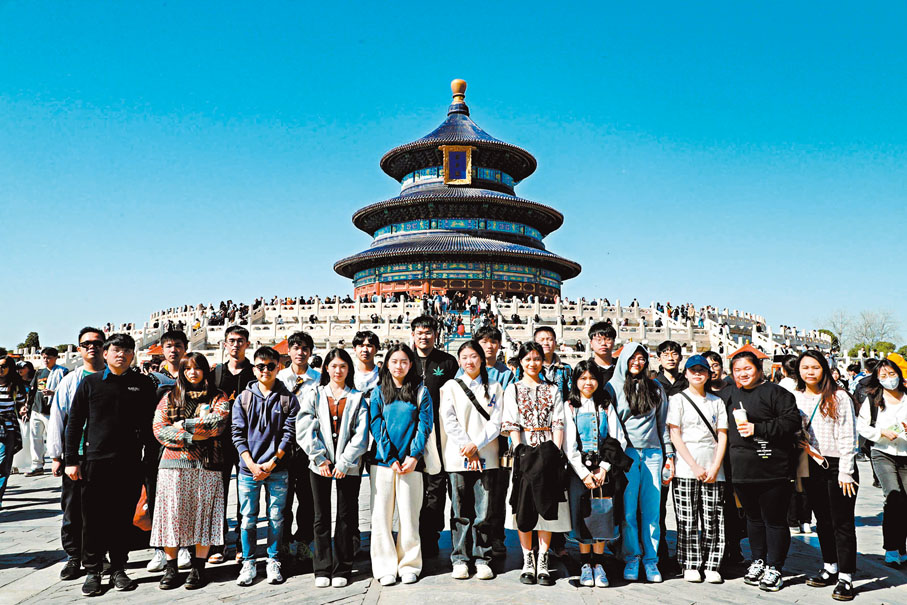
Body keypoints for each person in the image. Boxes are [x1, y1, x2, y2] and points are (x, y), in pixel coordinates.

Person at [64, 334, 158, 597]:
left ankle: (118, 567)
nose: (122, 354)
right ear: (105, 353)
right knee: (93, 519)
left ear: (133, 355)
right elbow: (74, 424)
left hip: (129, 463)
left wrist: (150, 459)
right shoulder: (90, 383)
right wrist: (71, 459)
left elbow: (150, 426)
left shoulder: (141, 384)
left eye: (127, 350)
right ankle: (93, 570)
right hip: (95, 462)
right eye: (116, 350)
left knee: (121, 518)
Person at [151, 353, 230, 590]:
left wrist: (184, 425)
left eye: (197, 368)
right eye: (187, 369)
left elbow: (218, 423)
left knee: (203, 515)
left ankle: (198, 567)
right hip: (173, 464)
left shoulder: (218, 397)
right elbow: (158, 429)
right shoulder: (170, 397)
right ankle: (171, 567)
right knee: (172, 515)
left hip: (207, 464)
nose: (192, 373)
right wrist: (191, 437)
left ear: (205, 371)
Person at [727, 350, 800, 593]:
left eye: (747, 368)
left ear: (758, 368)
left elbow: (791, 422)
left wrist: (757, 428)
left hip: (773, 467)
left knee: (775, 520)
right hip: (741, 468)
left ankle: (775, 566)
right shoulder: (730, 394)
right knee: (753, 519)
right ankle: (758, 560)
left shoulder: (777, 393)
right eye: (737, 370)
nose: (742, 374)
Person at [297, 347, 368, 588]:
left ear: (349, 370)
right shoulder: (315, 394)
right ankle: (322, 567)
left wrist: (345, 461)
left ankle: (343, 567)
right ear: (326, 368)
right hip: (320, 465)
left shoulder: (358, 397)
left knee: (346, 516)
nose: (338, 370)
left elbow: (361, 434)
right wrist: (320, 458)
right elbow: (305, 428)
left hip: (348, 465)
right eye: (334, 366)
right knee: (320, 517)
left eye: (343, 366)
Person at [501, 341, 571, 587]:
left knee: (547, 506)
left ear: (543, 361)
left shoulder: (552, 389)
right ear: (520, 362)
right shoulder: (514, 389)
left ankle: (543, 558)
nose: (532, 363)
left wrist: (555, 450)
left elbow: (559, 421)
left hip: (549, 451)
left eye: (537, 359)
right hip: (524, 453)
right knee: (525, 506)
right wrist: (520, 450)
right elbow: (510, 422)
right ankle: (527, 559)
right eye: (528, 359)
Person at [605, 343, 674, 583]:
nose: (637, 362)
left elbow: (662, 424)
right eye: (633, 358)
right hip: (628, 455)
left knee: (652, 510)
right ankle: (632, 557)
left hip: (653, 453)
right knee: (628, 510)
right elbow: (610, 425)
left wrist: (670, 456)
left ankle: (651, 560)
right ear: (624, 359)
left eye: (642, 358)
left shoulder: (655, 388)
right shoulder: (612, 387)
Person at [232, 346, 299, 586]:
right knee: (248, 517)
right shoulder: (244, 398)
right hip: (248, 469)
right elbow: (237, 434)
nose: (266, 370)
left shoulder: (288, 398)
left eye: (271, 366)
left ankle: (273, 559)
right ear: (254, 368)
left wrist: (273, 462)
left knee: (275, 517)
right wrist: (251, 464)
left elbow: (289, 434)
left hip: (277, 468)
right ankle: (248, 561)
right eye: (261, 366)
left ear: (278, 367)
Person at [795, 351, 858, 601]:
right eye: (805, 367)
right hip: (810, 462)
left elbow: (848, 435)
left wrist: (846, 470)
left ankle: (846, 575)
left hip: (836, 464)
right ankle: (830, 566)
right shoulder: (797, 396)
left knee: (842, 521)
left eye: (815, 367)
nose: (810, 372)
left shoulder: (839, 397)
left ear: (825, 369)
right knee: (822, 519)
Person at [369, 343, 433, 586]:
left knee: (408, 516)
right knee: (381, 517)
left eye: (404, 361)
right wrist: (391, 457)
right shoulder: (378, 392)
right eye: (394, 361)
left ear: (411, 364)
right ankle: (385, 566)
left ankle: (409, 563)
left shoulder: (420, 391)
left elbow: (424, 425)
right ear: (387, 364)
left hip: (411, 464)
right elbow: (376, 425)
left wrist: (414, 456)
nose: (399, 365)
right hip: (383, 463)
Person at [439, 340, 504, 581]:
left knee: (484, 511)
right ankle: (460, 558)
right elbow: (449, 420)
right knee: (459, 510)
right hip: (458, 457)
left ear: (481, 358)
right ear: (459, 361)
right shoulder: (450, 386)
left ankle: (482, 557)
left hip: (487, 455)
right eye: (464, 357)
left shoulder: (495, 387)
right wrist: (468, 447)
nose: (469, 361)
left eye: (474, 356)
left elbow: (496, 422)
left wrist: (476, 445)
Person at [47, 327, 106, 580]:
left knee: (102, 508)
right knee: (72, 508)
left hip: (104, 454)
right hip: (77, 454)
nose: (92, 347)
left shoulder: (113, 377)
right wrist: (57, 455)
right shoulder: (70, 380)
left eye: (97, 343)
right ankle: (73, 556)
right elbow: (58, 417)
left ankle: (99, 554)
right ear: (79, 349)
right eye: (86, 344)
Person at [563, 360, 629, 589]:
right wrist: (583, 473)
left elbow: (618, 438)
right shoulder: (570, 406)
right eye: (582, 378)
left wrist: (604, 468)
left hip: (602, 469)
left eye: (591, 378)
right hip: (578, 470)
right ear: (576, 381)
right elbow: (568, 445)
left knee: (602, 513)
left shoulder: (605, 405)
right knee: (583, 515)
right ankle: (584, 563)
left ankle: (598, 564)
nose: (587, 383)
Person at [667, 355, 728, 584]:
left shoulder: (716, 402)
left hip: (713, 465)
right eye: (693, 371)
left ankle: (713, 563)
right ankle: (691, 563)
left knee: (713, 517)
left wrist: (715, 466)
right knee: (687, 517)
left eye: (702, 370)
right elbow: (675, 434)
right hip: (686, 465)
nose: (698, 374)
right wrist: (693, 465)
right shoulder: (678, 399)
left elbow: (722, 435)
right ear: (686, 374)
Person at [409, 316, 458, 556]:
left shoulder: (447, 362)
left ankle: (433, 534)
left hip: (442, 431)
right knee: (418, 485)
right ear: (413, 335)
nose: (423, 336)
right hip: (413, 432)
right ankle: (416, 534)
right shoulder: (405, 360)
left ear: (435, 334)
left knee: (438, 485)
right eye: (419, 332)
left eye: (428, 332)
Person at [145, 329, 191, 574]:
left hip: (186, 447)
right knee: (158, 498)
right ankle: (160, 549)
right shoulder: (151, 379)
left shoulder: (193, 374)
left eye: (178, 345)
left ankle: (184, 545)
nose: (174, 350)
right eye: (169, 345)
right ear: (162, 349)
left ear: (185, 347)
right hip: (157, 446)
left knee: (183, 496)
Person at [209, 325, 255, 565]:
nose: (235, 345)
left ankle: (241, 544)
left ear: (247, 344)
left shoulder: (255, 372)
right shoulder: (215, 373)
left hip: (248, 442)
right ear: (225, 344)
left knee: (244, 494)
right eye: (231, 340)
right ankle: (217, 543)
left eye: (240, 340)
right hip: (219, 442)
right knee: (219, 494)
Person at [856, 358, 907, 568]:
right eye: (883, 376)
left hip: (905, 453)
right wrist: (880, 433)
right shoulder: (873, 399)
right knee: (893, 496)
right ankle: (891, 548)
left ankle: (901, 547)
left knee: (905, 500)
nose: (889, 379)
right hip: (882, 452)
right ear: (877, 378)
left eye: (891, 374)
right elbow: (862, 426)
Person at [275, 331, 319, 566]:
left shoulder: (320, 379)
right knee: (283, 496)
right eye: (295, 348)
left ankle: (304, 541)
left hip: (308, 445)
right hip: (283, 445)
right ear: (289, 351)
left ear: (310, 352)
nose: (300, 352)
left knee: (307, 496)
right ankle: (282, 541)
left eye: (304, 348)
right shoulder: (278, 378)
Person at [472, 325, 514, 557]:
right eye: (484, 341)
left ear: (499, 345)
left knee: (498, 490)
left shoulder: (506, 374)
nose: (489, 345)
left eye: (493, 341)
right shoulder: (466, 370)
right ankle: (473, 537)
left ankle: (496, 536)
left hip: (498, 442)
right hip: (472, 442)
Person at [25, 347, 68, 477]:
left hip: (52, 411)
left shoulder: (63, 372)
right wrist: (27, 406)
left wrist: (53, 392)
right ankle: (37, 465)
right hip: (37, 409)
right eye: (44, 357)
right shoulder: (40, 372)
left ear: (56, 358)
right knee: (35, 438)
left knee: (54, 438)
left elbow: (67, 391)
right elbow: (32, 391)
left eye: (48, 357)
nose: (46, 360)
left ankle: (58, 461)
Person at [0, 355, 28, 511]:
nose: (0, 369)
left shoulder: (15, 386)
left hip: (7, 427)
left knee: (3, 463)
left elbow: (20, 404)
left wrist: (23, 409)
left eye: (4, 366)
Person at [352, 330, 381, 396]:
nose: (365, 350)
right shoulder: (349, 374)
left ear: (376, 349)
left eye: (369, 346)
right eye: (361, 346)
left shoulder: (384, 375)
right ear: (354, 349)